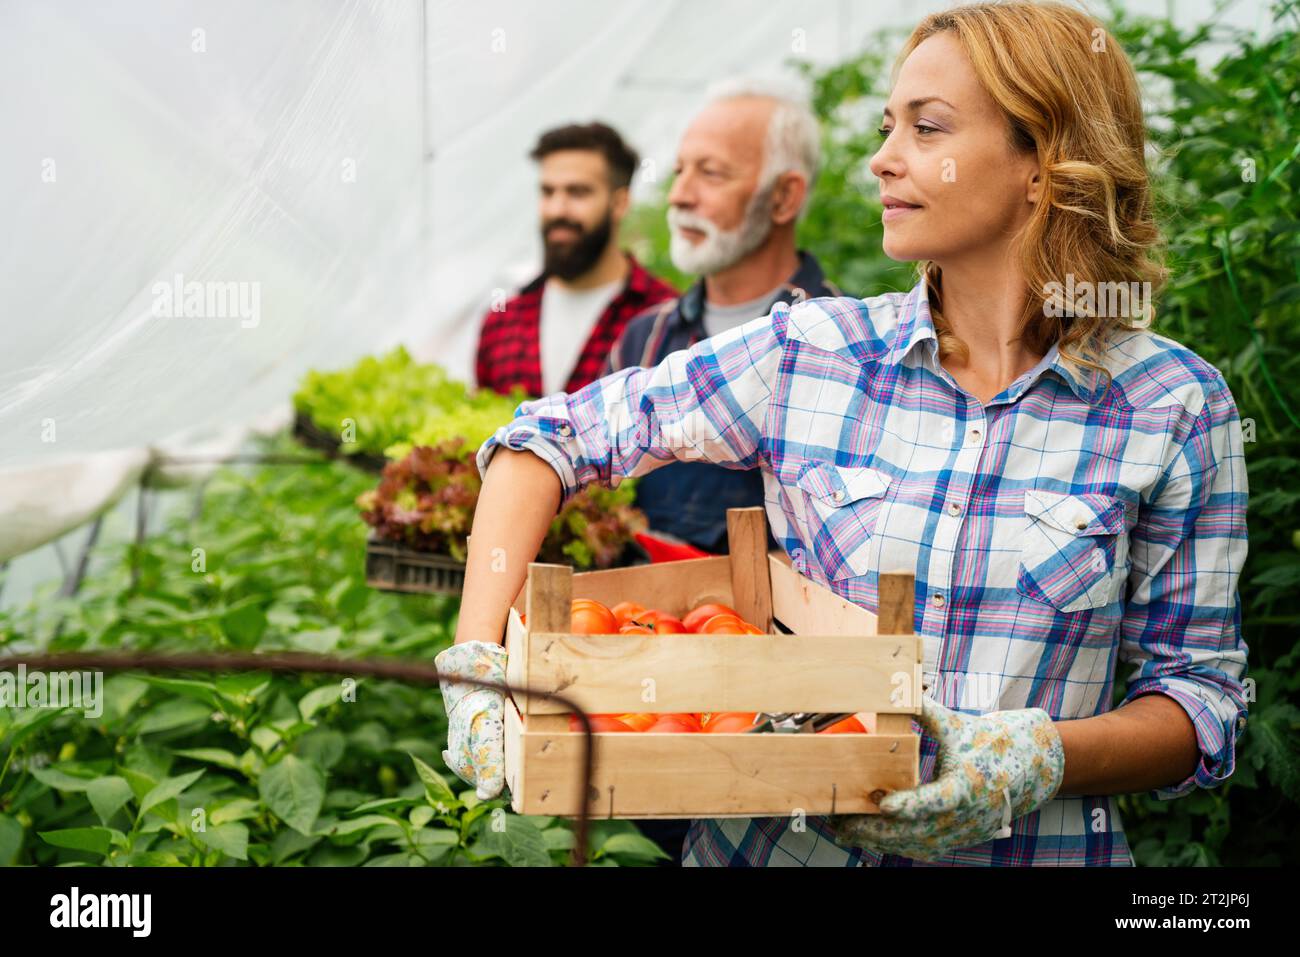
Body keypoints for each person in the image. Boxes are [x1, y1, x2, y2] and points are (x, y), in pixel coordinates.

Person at [438, 0, 1250, 867]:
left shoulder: (1173, 406)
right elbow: (543, 440)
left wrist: (1036, 757)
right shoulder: (810, 351)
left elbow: (1197, 698)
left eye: (926, 129)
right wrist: (479, 663)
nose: (882, 159)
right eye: (887, 125)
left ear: (1044, 169)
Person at [602, 77, 847, 556]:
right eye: (679, 171)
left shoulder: (844, 343)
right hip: (643, 621)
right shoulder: (644, 339)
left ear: (783, 198)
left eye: (710, 174)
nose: (679, 196)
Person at [475, 122, 678, 397]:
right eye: (548, 192)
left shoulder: (666, 318)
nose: (557, 209)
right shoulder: (503, 321)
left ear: (619, 203)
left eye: (577, 192)